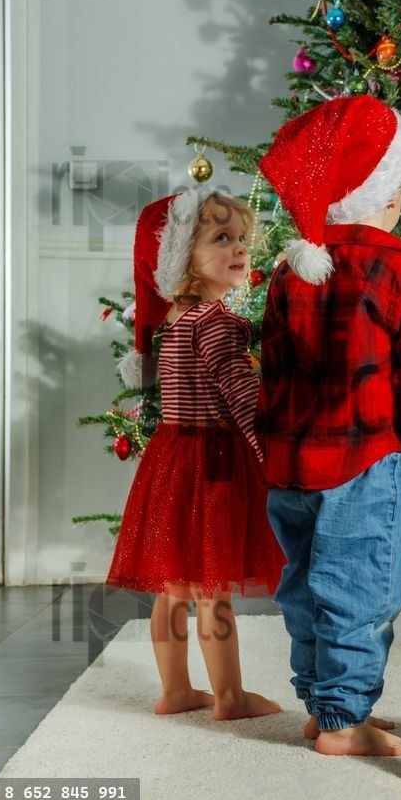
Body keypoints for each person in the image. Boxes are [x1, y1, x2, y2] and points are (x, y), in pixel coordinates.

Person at [257, 95, 401, 758]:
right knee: (359, 592)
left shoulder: (291, 270)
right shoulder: (398, 264)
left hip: (290, 464)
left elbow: (272, 369)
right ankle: (344, 724)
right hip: (362, 463)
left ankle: (322, 707)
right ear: (391, 193)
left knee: (303, 587)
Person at [106, 188, 286, 721]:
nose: (240, 250)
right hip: (213, 464)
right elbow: (241, 397)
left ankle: (176, 690)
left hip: (171, 457)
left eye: (243, 240)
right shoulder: (217, 323)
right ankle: (230, 697)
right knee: (212, 590)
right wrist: (271, 457)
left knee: (175, 586)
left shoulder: (177, 320)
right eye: (222, 238)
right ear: (182, 255)